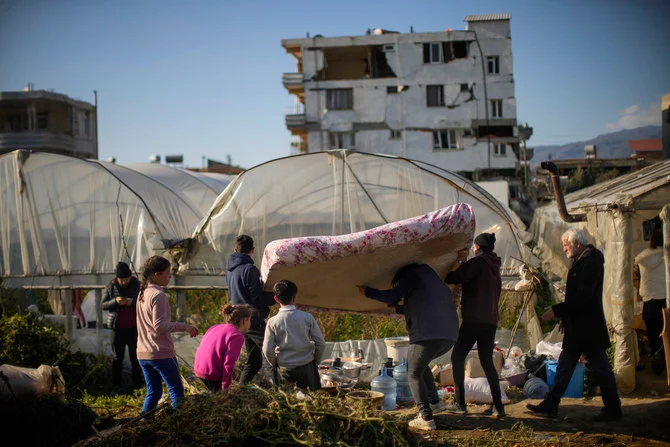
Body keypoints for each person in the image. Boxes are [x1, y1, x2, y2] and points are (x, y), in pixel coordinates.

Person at [527, 229, 622, 421]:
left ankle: (613, 409)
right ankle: (551, 403)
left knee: (601, 368)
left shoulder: (592, 264)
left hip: (589, 328)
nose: (564, 249)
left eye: (566, 245)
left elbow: (582, 298)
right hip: (578, 327)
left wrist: (557, 310)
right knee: (565, 366)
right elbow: (575, 296)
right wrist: (565, 318)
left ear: (577, 244)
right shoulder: (582, 261)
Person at [358, 263, 459, 431]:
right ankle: (435, 403)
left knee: (412, 372)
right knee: (422, 365)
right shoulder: (436, 283)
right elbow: (423, 307)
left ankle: (426, 417)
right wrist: (398, 308)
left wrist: (368, 292)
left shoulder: (414, 275)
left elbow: (392, 295)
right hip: (450, 335)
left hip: (428, 334)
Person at [444, 233, 505, 418]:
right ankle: (498, 407)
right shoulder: (494, 267)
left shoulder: (477, 263)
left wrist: (459, 260)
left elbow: (451, 277)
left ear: (477, 247)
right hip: (490, 321)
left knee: (457, 357)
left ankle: (459, 403)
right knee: (487, 361)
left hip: (474, 320)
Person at [136, 255, 198, 414]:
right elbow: (159, 326)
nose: (170, 276)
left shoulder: (142, 293)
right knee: (176, 391)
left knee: (153, 392)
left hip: (143, 353)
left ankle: (144, 423)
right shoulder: (158, 296)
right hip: (160, 352)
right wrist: (184, 326)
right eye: (167, 273)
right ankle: (176, 426)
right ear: (157, 274)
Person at [227, 235, 276, 385]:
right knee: (272, 354)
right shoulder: (250, 270)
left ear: (236, 249)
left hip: (240, 321)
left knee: (254, 361)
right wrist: (275, 297)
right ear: (252, 250)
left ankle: (240, 389)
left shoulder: (230, 271)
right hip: (252, 320)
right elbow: (256, 298)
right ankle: (280, 388)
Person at [262, 280, 326, 391]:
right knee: (311, 402)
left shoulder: (272, 322)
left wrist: (275, 363)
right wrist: (315, 361)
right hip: (307, 367)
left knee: (288, 403)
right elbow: (321, 343)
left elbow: (267, 349)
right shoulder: (307, 317)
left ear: (276, 299)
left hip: (285, 369)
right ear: (294, 297)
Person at [101, 261, 143, 392]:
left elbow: (144, 303)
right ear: (117, 278)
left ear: (130, 276)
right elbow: (103, 305)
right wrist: (115, 302)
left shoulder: (137, 285)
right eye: (121, 279)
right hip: (117, 328)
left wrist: (132, 302)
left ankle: (138, 384)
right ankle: (116, 385)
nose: (124, 281)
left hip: (134, 328)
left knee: (135, 356)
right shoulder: (111, 286)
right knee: (117, 358)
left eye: (126, 278)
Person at [194, 304, 254, 392]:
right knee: (218, 400)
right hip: (212, 373)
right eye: (249, 320)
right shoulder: (236, 336)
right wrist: (225, 387)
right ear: (244, 320)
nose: (250, 323)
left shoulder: (214, 327)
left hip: (199, 369)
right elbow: (229, 363)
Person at [634, 231, 666, 375]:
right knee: (666, 334)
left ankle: (655, 358)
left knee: (653, 335)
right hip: (664, 300)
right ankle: (665, 360)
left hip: (648, 302)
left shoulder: (643, 257)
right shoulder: (666, 256)